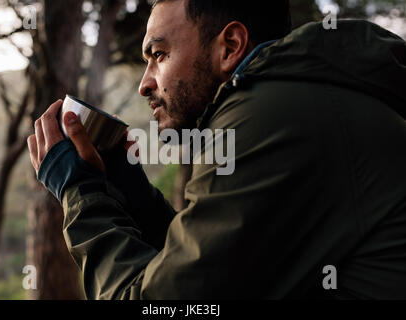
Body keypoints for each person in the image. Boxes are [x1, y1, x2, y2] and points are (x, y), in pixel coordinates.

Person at [27, 0, 406, 299]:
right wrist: (131, 194)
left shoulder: (269, 115)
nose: (145, 84)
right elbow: (215, 269)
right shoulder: (303, 98)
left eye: (158, 54)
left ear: (230, 46)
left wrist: (80, 192)